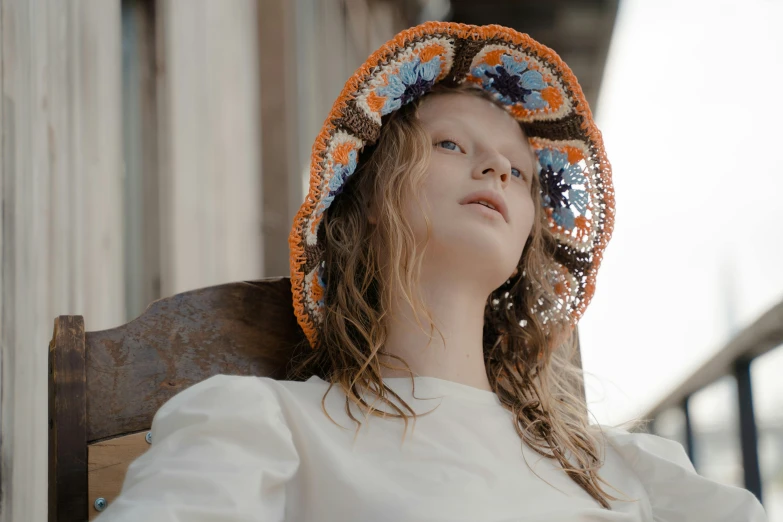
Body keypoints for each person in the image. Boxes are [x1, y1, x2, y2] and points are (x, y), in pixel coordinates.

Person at [96, 21, 767, 521]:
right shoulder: (271, 426)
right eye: (450, 144)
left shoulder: (619, 468)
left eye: (520, 173)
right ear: (362, 205)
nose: (497, 170)